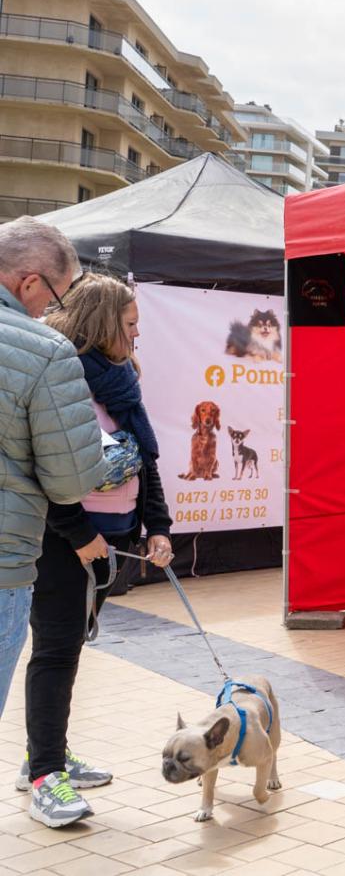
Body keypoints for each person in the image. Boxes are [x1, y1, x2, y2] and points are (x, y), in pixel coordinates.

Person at [24, 273, 174, 828]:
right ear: (104, 322)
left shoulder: (122, 378)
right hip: (64, 541)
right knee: (56, 651)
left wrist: (157, 526)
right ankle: (45, 776)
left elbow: (145, 458)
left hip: (110, 539)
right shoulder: (58, 375)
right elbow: (44, 470)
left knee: (67, 651)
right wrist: (80, 534)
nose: (137, 335)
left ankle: (47, 755)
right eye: (130, 324)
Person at [0, 218, 105, 728]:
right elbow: (71, 481)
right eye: (55, 298)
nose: (49, 312)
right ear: (29, 283)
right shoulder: (44, 350)